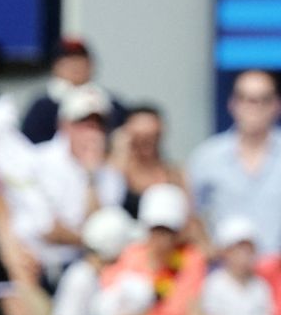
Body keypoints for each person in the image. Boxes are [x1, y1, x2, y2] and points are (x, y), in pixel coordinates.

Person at [187, 69, 281, 256]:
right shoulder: (206, 155)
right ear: (232, 104)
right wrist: (208, 250)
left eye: (263, 99)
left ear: (279, 105)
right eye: (245, 99)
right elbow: (191, 214)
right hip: (225, 271)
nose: (254, 107)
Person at [103, 184, 207, 315]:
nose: (160, 239)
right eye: (155, 230)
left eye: (167, 231)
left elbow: (191, 312)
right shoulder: (131, 255)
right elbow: (110, 309)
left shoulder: (191, 260)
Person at [33, 84, 126, 285]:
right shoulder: (38, 161)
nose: (92, 131)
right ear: (64, 124)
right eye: (83, 123)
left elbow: (101, 229)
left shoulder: (110, 175)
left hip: (93, 268)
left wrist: (91, 178)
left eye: (98, 124)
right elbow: (48, 229)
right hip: (45, 267)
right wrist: (93, 241)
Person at [20, 35, 126, 144]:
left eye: (80, 61)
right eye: (69, 62)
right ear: (55, 67)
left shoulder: (109, 103)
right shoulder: (43, 108)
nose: (76, 67)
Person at [110, 104, 186, 219]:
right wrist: (120, 149)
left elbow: (188, 215)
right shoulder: (116, 169)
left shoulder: (175, 174)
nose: (146, 142)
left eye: (152, 136)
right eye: (141, 137)